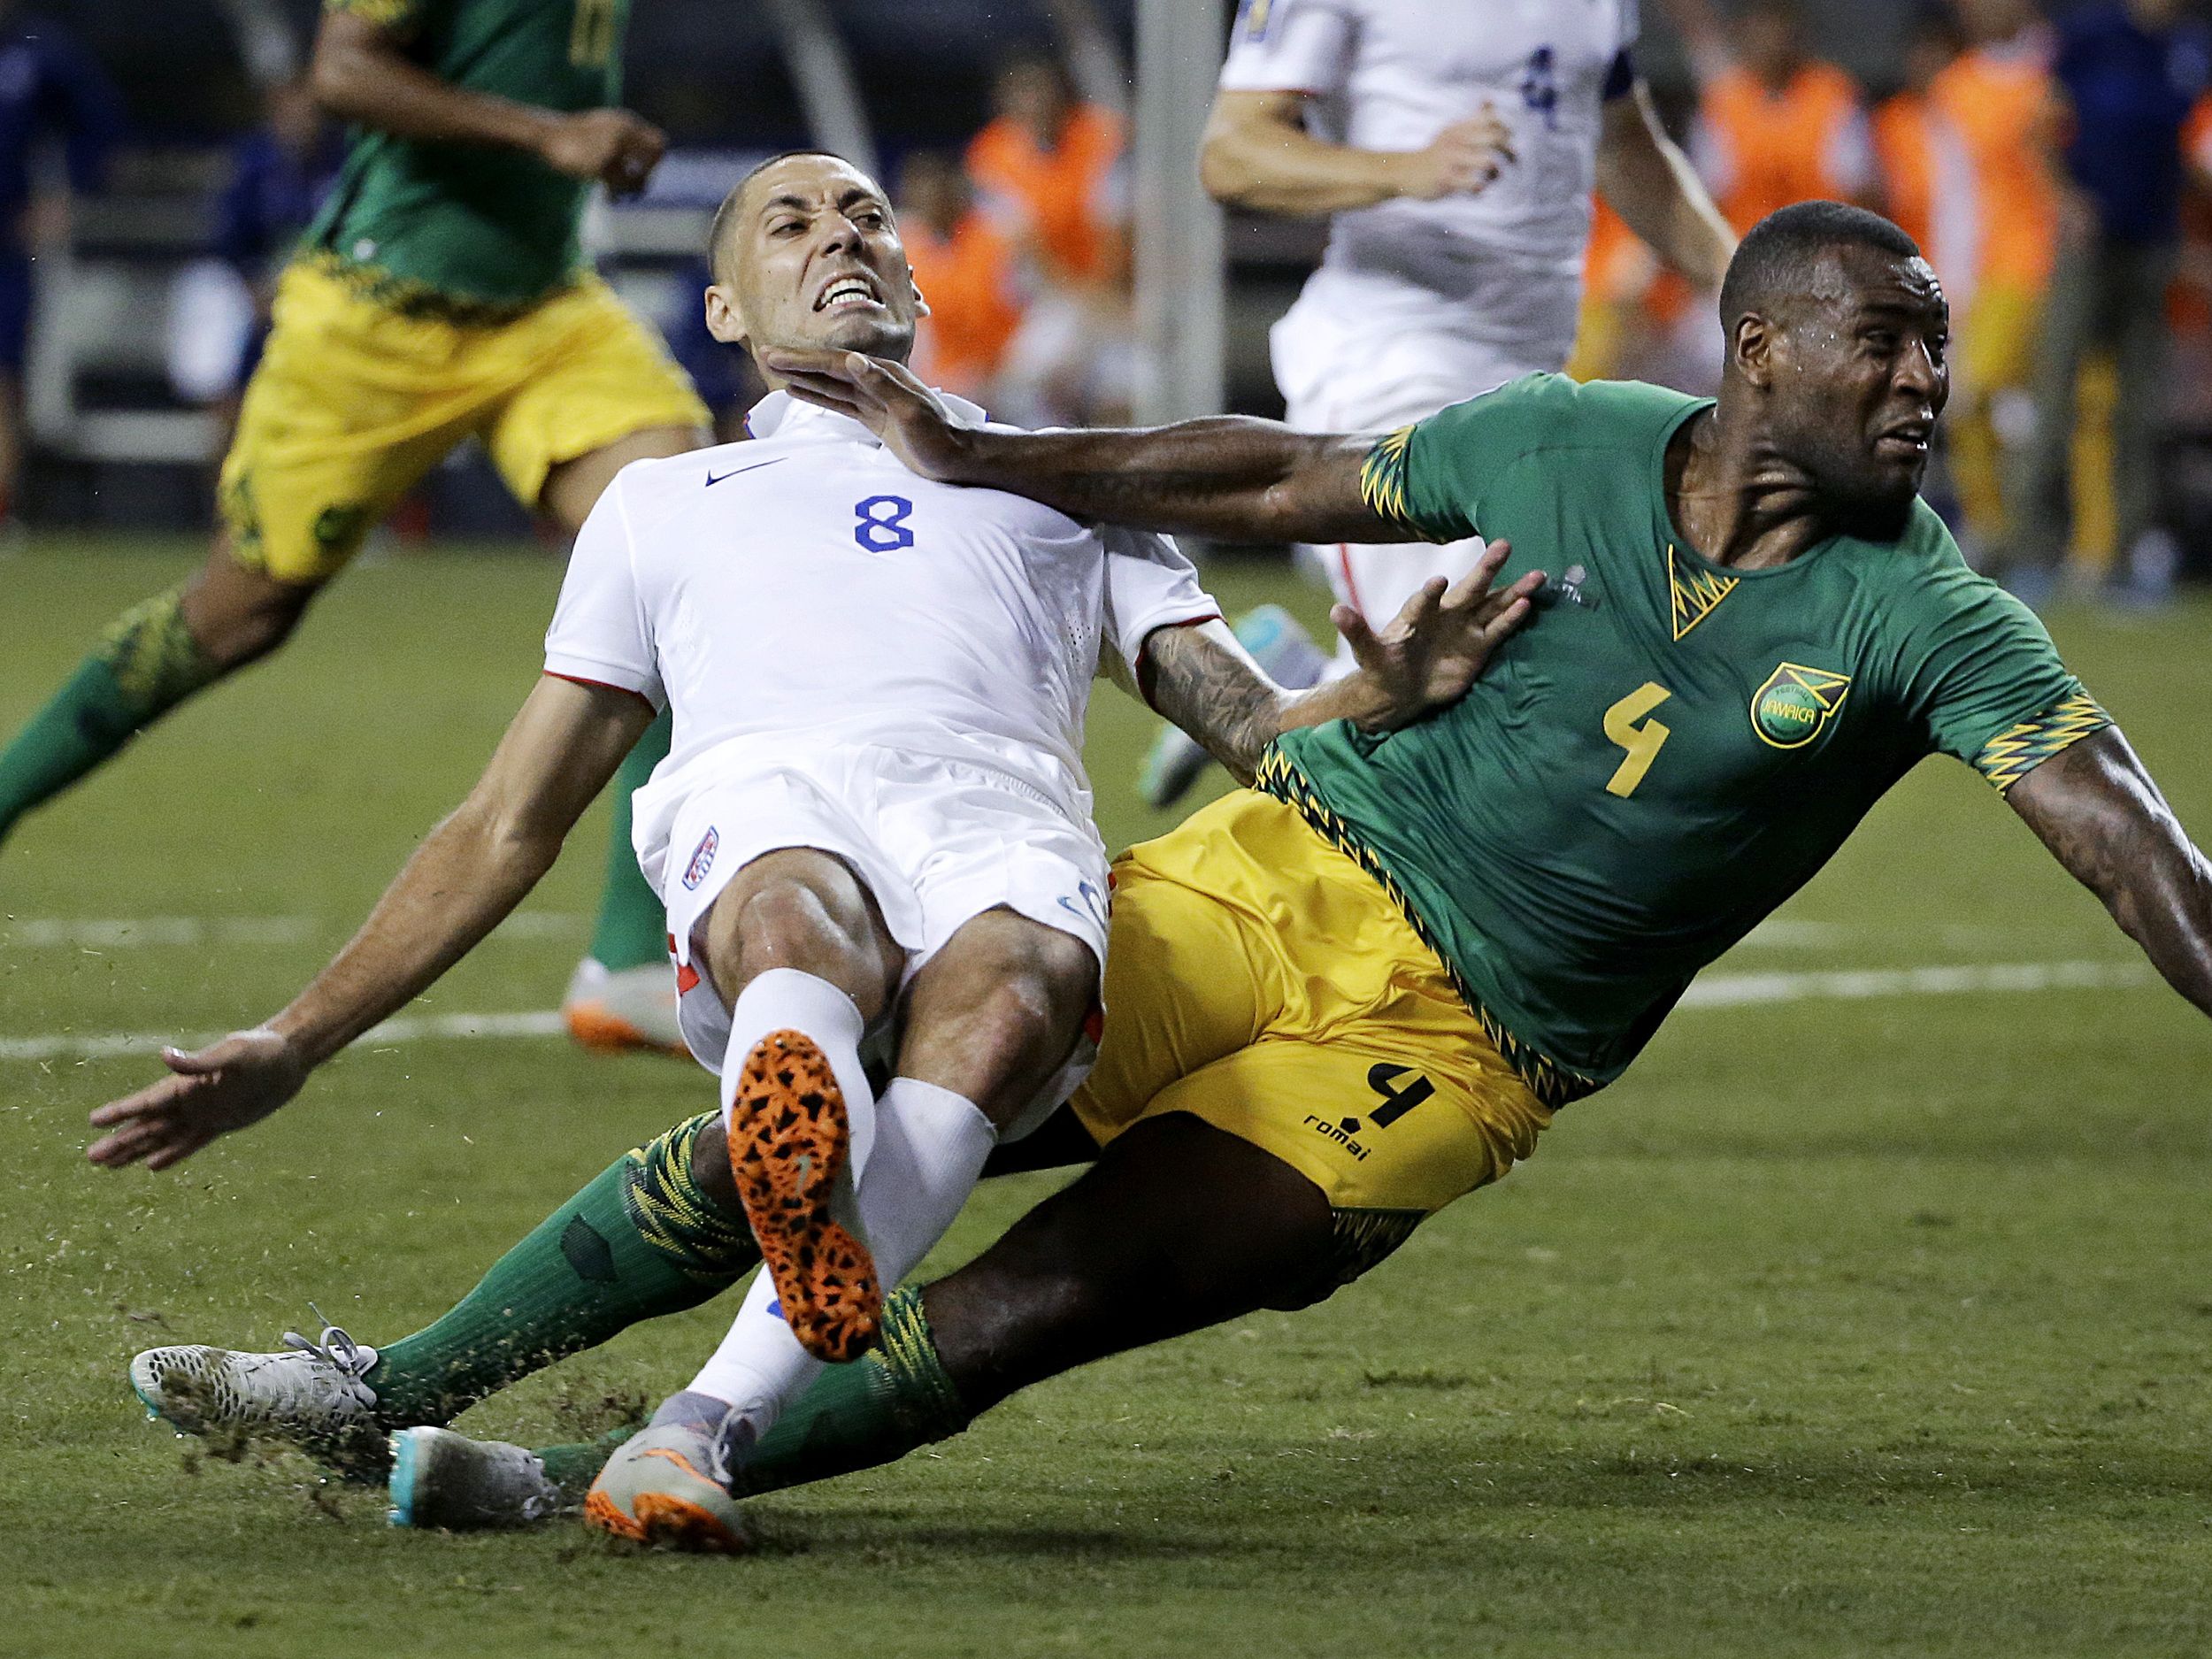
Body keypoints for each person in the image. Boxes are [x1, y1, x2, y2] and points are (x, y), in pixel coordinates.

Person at [110, 204, 2212, 1554]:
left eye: (1933, 352)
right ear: (1763, 352)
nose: (1932, 385)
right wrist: (993, 457)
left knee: (1044, 1295)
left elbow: (2129, 848)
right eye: (1893, 348)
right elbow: (1266, 472)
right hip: (1279, 870)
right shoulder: (1569, 433)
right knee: (886, 1100)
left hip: (1464, 1048)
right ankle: (422, 1381)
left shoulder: (1935, 617)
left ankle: (624, 1458)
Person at [99, 150, 1536, 1551]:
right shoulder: (664, 503)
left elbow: (1251, 724)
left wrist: (1380, 695)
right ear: (725, 311)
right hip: (774, 796)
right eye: (787, 225)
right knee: (797, 914)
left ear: (913, 278)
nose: (838, 237)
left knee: (1020, 982)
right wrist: (297, 1038)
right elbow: (506, 823)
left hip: (1001, 823)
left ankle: (708, 1380)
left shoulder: (1062, 482)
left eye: (864, 218)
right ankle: (736, 1305)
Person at [0, 0, 710, 1056]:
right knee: (238, 614)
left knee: (685, 548)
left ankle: (627, 964)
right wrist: (547, 135)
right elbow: (343, 69)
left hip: (543, 307)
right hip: (381, 311)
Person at [1140, 0, 1736, 808]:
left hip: (1535, 388)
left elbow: (1628, 146)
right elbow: (1232, 152)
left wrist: (1753, 284)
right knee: (1473, 690)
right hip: (1391, 371)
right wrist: (1405, 168)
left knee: (1509, 678)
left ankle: (1296, 682)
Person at [2002, 0, 2212, 603]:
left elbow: (2190, 150)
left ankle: (2127, 560)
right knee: (2055, 394)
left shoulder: (2188, 46)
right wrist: (2065, 200)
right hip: (2088, 247)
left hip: (2154, 244)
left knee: (2141, 413)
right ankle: (2032, 553)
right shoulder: (2092, 35)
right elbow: (2039, 131)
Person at [1929, 0, 2063, 564]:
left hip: (2068, 262)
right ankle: (1996, 532)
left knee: (2087, 408)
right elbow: (1955, 192)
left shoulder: (2058, 62)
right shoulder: (1955, 88)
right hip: (2005, 268)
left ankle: (2094, 552)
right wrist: (1952, 281)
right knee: (1973, 400)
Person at [0, 0, 124, 529]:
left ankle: (3, 510)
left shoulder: (37, 50)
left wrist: (68, 195)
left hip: (5, 238)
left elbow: (102, 125)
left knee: (3, 376)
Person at [965, 50, 1132, 428]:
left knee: (1127, 388)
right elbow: (1028, 248)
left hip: (1122, 288)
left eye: (1042, 92)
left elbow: (1117, 229)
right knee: (1022, 385)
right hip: (1056, 296)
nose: (1035, 104)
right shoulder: (992, 154)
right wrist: (1088, 300)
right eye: (1022, 95)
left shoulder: (1099, 135)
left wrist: (1105, 298)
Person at [895, 150, 1025, 404]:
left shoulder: (996, 233)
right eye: (922, 194)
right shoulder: (903, 247)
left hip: (1009, 367)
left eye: (939, 191)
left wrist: (1000, 371)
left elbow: (1034, 312)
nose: (932, 201)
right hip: (947, 377)